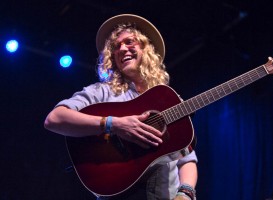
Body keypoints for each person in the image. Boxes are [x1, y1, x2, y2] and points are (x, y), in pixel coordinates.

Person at [44, 14, 198, 200]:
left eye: (129, 42)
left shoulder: (170, 99)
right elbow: (55, 119)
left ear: (146, 48)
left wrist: (186, 192)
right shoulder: (102, 92)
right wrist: (113, 124)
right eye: (116, 47)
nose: (122, 49)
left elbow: (186, 158)